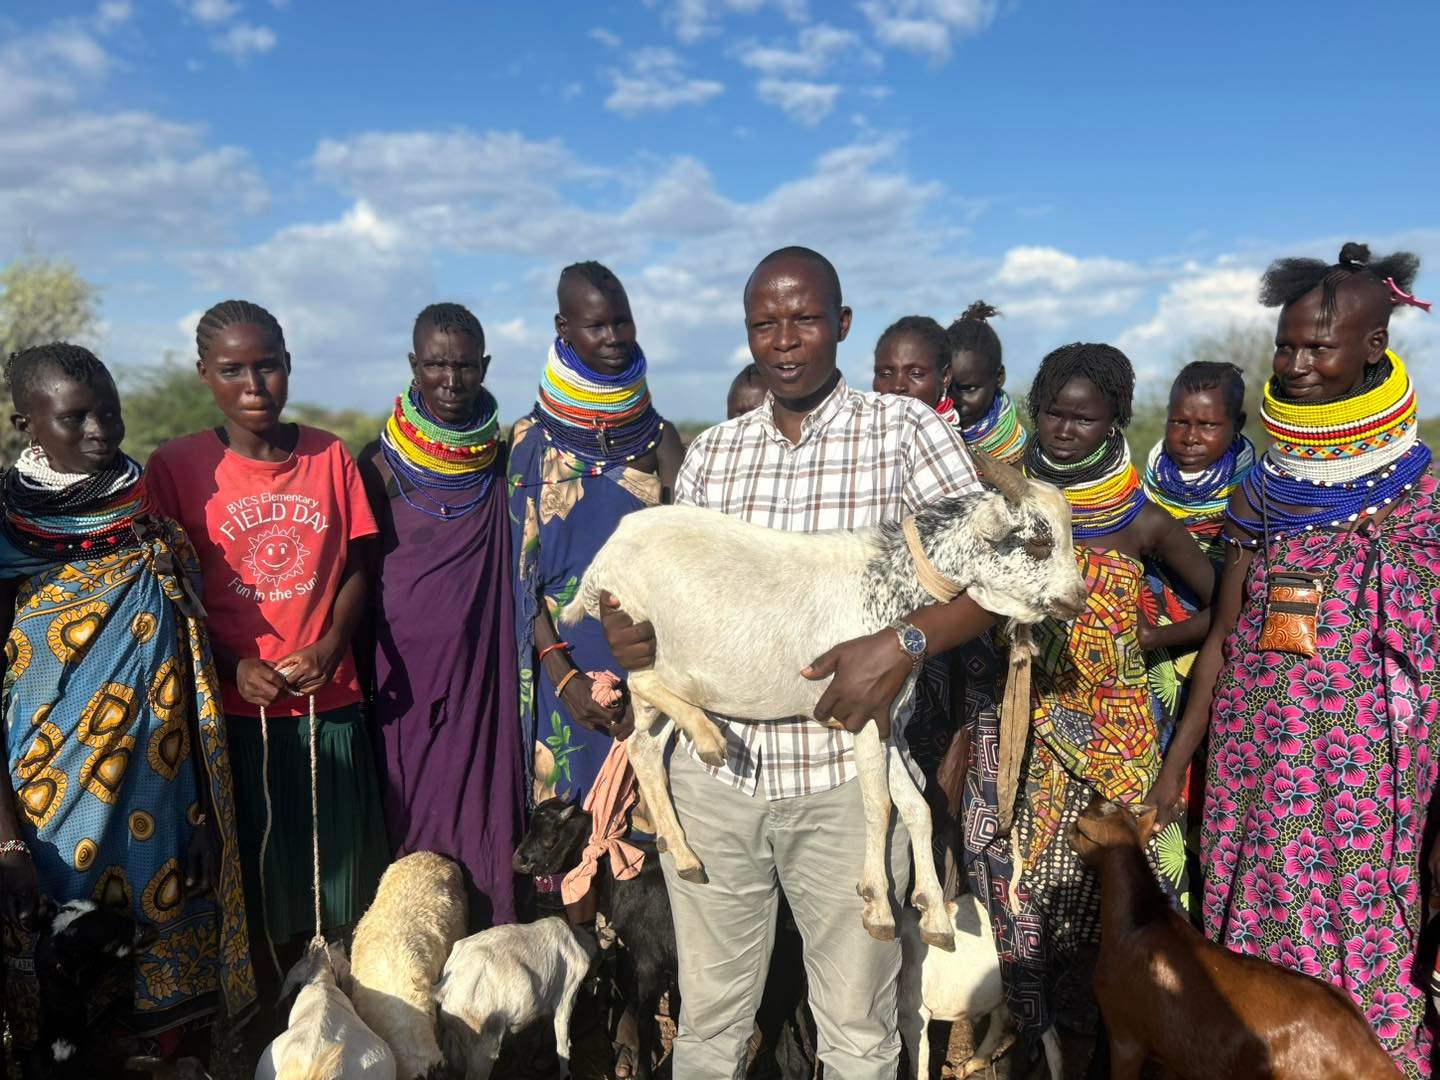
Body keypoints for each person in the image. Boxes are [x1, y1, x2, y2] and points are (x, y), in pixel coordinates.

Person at [601, 246, 998, 1078]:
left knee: (856, 1029)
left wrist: (905, 641)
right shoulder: (714, 457)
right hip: (717, 784)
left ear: (841, 325)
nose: (784, 340)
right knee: (709, 1023)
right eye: (765, 323)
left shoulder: (904, 433)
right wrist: (629, 633)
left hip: (843, 785)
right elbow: (672, 591)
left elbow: (994, 575)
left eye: (805, 319)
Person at [1151, 243, 1438, 1077]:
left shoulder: (1420, 495)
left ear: (1374, 348)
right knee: (1256, 951)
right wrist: (1177, 768)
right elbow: (1221, 639)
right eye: (1285, 347)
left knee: (1369, 938)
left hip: (1371, 779)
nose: (1297, 364)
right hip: (1254, 766)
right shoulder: (1264, 492)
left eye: (1318, 347)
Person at [0, 344, 254, 1061]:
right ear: (27, 424)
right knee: (62, 1015)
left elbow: (189, 684)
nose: (99, 431)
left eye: (107, 412)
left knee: (154, 1025)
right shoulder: (7, 541)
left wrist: (202, 813)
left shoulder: (152, 533)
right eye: (74, 416)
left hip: (160, 807)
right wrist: (8, 843)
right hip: (47, 818)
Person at [146, 300, 387, 993]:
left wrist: (334, 642)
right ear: (204, 376)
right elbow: (171, 591)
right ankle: (264, 1028)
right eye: (232, 370)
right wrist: (231, 664)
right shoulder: (176, 467)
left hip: (328, 707)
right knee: (253, 878)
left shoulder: (329, 456)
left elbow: (355, 567)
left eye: (267, 366)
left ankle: (342, 1013)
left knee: (338, 881)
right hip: (235, 716)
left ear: (288, 366)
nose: (254, 385)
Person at [1004, 344, 1215, 1041]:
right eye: (1053, 414)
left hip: (1121, 742)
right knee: (1043, 901)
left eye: (1083, 419)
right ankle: (1054, 1042)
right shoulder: (1009, 501)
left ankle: (1139, 1040)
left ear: (1116, 420)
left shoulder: (1142, 521)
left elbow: (1224, 605)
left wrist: (1151, 642)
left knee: (1135, 902)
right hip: (1034, 729)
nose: (1063, 430)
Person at [509, 261, 683, 1078]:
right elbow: (521, 579)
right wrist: (566, 678)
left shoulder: (661, 441)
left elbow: (686, 571)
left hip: (651, 682)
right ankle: (575, 1016)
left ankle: (642, 1013)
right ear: (562, 331)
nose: (612, 337)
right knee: (568, 841)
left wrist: (648, 680)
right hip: (563, 688)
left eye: (621, 321)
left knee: (642, 850)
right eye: (594, 325)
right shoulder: (527, 446)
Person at [358, 303, 524, 928]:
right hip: (406, 671)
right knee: (413, 810)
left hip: (484, 669)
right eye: (435, 365)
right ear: (413, 366)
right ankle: (410, 956)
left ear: (483, 367)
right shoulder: (378, 467)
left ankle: (487, 950)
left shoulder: (505, 460)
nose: (450, 382)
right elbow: (356, 577)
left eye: (463, 367)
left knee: (484, 803)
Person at [945, 300, 1027, 465]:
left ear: (999, 378)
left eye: (967, 389)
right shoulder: (924, 438)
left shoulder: (1026, 460)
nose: (953, 400)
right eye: (945, 388)